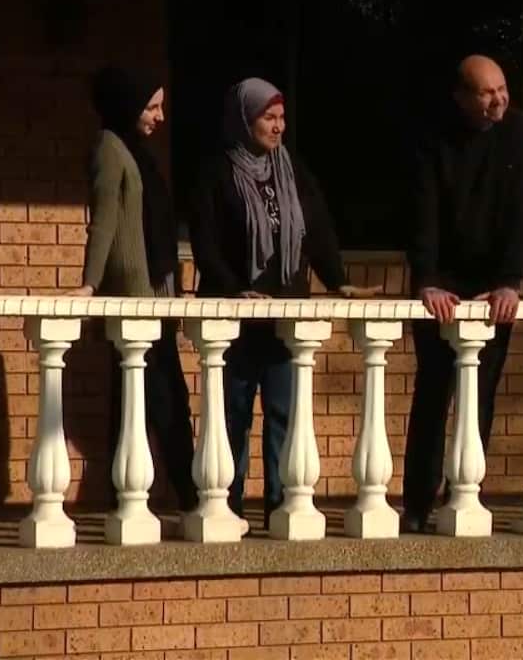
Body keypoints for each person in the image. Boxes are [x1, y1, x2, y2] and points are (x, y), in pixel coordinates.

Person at [190, 77, 377, 529]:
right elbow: (206, 243)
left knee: (284, 413)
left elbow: (316, 229)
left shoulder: (289, 169)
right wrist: (235, 289)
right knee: (232, 415)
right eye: (268, 118)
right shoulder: (217, 172)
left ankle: (280, 508)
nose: (278, 128)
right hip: (236, 317)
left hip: (284, 317)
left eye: (281, 118)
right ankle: (227, 509)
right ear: (243, 119)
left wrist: (337, 282)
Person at [401, 55, 523, 533]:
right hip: (443, 282)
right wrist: (428, 280)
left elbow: (522, 211)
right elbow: (423, 211)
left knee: (481, 395)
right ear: (461, 97)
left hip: (493, 285)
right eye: (486, 92)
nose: (498, 99)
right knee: (433, 391)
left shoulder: (518, 132)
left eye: (502, 88)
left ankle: (464, 494)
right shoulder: (433, 135)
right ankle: (417, 503)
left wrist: (510, 281)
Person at [70, 66, 199, 518]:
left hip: (154, 291)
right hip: (135, 295)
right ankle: (185, 497)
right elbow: (103, 220)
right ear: (127, 106)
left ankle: (172, 494)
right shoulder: (111, 150)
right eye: (152, 106)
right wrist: (89, 283)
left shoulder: (136, 152)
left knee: (154, 395)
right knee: (153, 395)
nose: (159, 116)